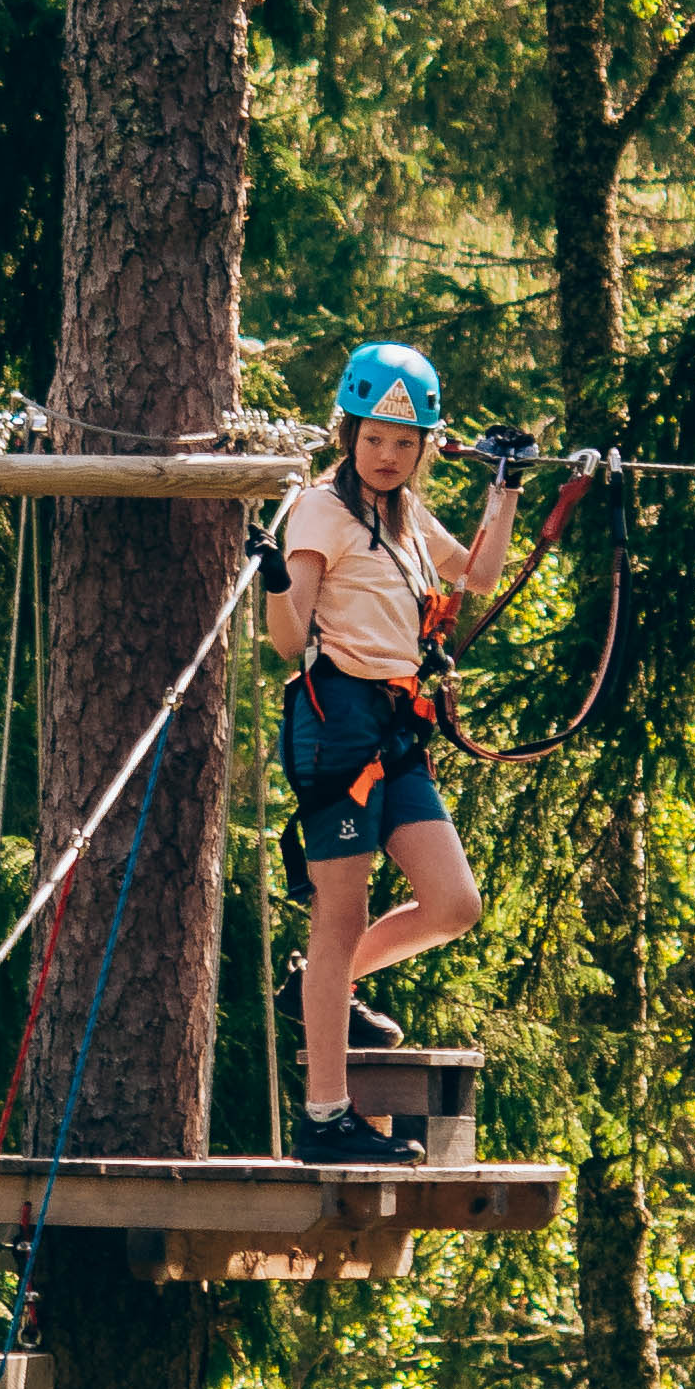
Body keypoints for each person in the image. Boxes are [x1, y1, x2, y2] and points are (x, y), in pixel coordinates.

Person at [262, 341, 525, 1160]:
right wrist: (274, 577)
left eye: (404, 444)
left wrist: (505, 485)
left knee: (454, 904)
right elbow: (284, 639)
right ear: (350, 433)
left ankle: (315, 988)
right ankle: (325, 1118)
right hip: (336, 726)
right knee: (341, 913)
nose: (386, 455)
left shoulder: (407, 519)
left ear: (424, 450)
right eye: (375, 438)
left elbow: (480, 573)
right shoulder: (317, 511)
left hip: (396, 732)